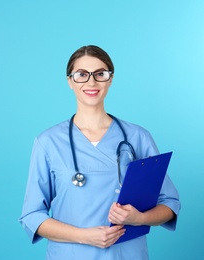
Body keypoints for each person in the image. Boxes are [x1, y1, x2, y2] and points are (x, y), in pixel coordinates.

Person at [18, 45, 181, 259]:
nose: (91, 82)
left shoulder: (137, 137)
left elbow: (169, 203)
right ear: (70, 81)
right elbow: (32, 216)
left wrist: (139, 218)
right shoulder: (48, 142)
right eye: (82, 74)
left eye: (100, 74)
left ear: (110, 79)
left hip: (126, 254)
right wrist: (84, 236)